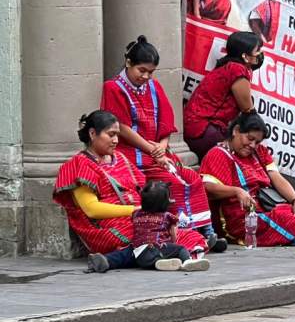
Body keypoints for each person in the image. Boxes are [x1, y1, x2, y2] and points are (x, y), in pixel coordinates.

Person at [101, 36, 223, 252]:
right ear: (128, 63)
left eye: (150, 72)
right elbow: (121, 126)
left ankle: (206, 231)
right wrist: (152, 149)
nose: (146, 76)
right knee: (172, 184)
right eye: (142, 70)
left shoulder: (154, 86)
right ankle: (187, 235)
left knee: (193, 178)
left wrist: (162, 145)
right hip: (133, 155)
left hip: (158, 152)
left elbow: (166, 121)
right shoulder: (113, 88)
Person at [53, 111, 208, 273]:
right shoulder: (79, 165)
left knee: (184, 234)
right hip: (109, 225)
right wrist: (133, 210)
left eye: (117, 135)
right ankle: (162, 256)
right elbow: (91, 209)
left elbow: (142, 188)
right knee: (143, 239)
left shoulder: (120, 157)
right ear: (92, 134)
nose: (116, 141)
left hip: (140, 218)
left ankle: (158, 258)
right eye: (111, 135)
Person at [199, 112, 295, 247]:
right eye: (250, 138)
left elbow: (277, 178)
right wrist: (237, 191)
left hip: (268, 207)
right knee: (287, 220)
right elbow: (207, 188)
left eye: (257, 142)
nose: (252, 145)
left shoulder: (259, 152)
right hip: (241, 221)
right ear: (236, 130)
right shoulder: (217, 155)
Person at [184, 31, 263, 161]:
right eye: (257, 50)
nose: (260, 54)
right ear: (245, 56)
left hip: (196, 130)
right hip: (204, 131)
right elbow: (247, 109)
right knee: (250, 157)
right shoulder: (237, 69)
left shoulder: (226, 67)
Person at [128, 181, 210, 271]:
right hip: (158, 248)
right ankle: (188, 261)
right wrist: (173, 243)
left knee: (157, 256)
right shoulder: (168, 216)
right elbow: (173, 235)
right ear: (165, 202)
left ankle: (158, 263)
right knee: (180, 249)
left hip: (139, 255)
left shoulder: (135, 214)